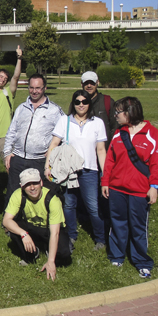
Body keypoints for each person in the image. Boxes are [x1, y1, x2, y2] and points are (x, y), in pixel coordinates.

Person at [101, 97, 158, 279]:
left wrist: (154, 186)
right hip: (117, 189)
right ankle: (117, 255)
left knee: (138, 227)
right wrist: (105, 182)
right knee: (118, 223)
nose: (115, 115)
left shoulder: (152, 134)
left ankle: (142, 261)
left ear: (130, 112)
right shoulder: (118, 134)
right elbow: (110, 161)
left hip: (139, 191)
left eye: (118, 112)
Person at [45, 90, 107, 251]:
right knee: (69, 205)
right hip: (68, 170)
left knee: (92, 206)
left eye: (84, 102)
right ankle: (71, 235)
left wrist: (105, 173)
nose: (81, 105)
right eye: (77, 101)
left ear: (89, 104)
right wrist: (48, 166)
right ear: (73, 103)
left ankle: (101, 238)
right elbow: (53, 144)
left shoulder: (97, 123)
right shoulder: (64, 121)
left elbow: (101, 150)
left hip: (89, 170)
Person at [4, 74, 65, 202]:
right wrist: (7, 153)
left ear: (45, 88)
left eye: (38, 88)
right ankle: (10, 220)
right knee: (13, 195)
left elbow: (65, 135)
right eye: (31, 87)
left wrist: (53, 153)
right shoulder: (21, 108)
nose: (34, 91)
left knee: (43, 195)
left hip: (40, 161)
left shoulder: (54, 110)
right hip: (18, 158)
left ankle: (41, 220)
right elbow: (11, 132)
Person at [2, 169, 71, 281]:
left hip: (50, 230)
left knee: (64, 253)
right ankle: (33, 253)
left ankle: (49, 251)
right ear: (21, 186)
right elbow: (6, 221)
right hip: (30, 227)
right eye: (27, 185)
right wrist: (23, 234)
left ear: (41, 182)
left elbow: (55, 233)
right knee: (14, 230)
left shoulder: (52, 199)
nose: (32, 187)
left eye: (35, 183)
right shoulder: (17, 195)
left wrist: (51, 262)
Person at [81, 71, 118, 147]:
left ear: (98, 83)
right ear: (81, 84)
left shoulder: (107, 102)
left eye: (92, 83)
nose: (89, 86)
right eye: (86, 83)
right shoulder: (77, 103)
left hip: (104, 150)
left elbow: (115, 127)